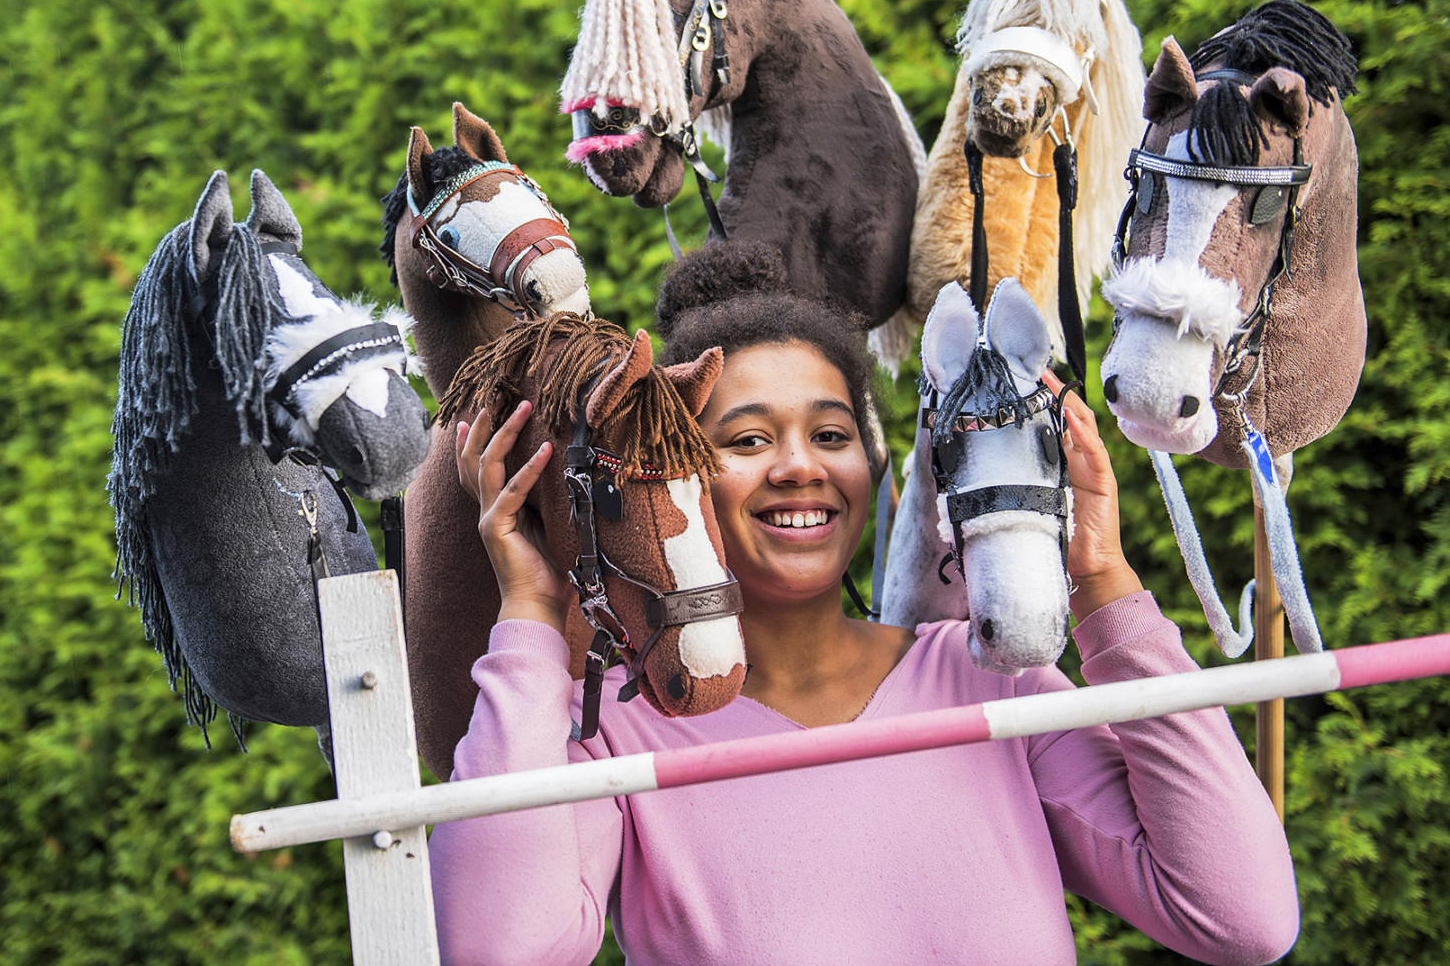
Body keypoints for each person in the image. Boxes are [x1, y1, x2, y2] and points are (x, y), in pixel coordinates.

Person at [427, 243, 1300, 966]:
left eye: (831, 434)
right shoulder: (618, 737)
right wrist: (533, 615)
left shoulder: (987, 684)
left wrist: (1104, 583)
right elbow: (504, 950)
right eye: (747, 439)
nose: (801, 464)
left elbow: (1241, 916)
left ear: (871, 466)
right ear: (678, 479)